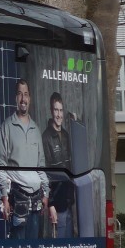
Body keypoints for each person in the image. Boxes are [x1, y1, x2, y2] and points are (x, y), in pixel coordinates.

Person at [0, 79, 51, 239]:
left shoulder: (35, 129)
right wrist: (4, 198)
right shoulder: (6, 126)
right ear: (15, 98)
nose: (23, 99)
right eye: (20, 94)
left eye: (26, 94)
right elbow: (0, 165)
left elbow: (41, 166)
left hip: (36, 201)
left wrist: (46, 193)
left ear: (30, 99)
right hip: (17, 199)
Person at [42, 92, 75, 238]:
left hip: (68, 201)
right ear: (51, 111)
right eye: (56, 110)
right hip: (57, 204)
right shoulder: (46, 137)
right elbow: (46, 174)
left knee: (70, 246)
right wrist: (51, 204)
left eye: (61, 110)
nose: (59, 115)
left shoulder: (67, 135)